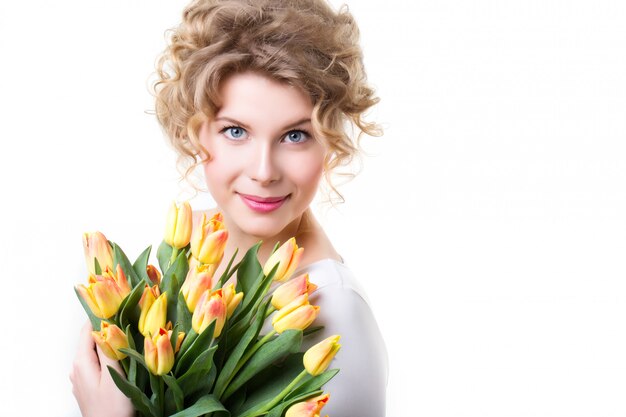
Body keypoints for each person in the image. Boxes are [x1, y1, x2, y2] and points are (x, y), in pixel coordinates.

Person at [70, 0, 388, 415]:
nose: (263, 171)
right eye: (236, 131)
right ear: (193, 128)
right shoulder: (183, 252)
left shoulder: (337, 310)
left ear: (331, 138)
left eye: (295, 136)